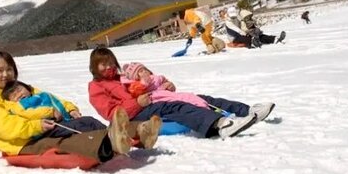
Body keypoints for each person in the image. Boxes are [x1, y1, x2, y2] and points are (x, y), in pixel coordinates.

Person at [0, 51, 162, 165]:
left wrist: (70, 108)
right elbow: (4, 126)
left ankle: (138, 131)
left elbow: (51, 99)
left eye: (9, 69)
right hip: (21, 143)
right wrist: (37, 126)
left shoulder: (23, 88)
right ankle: (111, 142)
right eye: (0, 70)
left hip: (48, 125)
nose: (6, 74)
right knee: (63, 140)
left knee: (85, 122)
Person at [88, 47, 276, 140]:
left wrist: (166, 86)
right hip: (132, 115)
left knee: (199, 98)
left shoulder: (123, 77)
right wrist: (138, 103)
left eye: (111, 62)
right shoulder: (96, 86)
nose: (109, 67)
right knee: (174, 106)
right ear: (95, 67)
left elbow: (148, 82)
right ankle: (220, 124)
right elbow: (111, 113)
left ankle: (248, 110)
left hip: (149, 100)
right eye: (103, 64)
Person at [120, 62, 210, 109]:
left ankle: (202, 105)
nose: (144, 72)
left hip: (166, 93)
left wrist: (170, 85)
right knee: (180, 100)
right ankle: (200, 107)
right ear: (135, 77)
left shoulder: (156, 78)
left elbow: (166, 82)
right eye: (140, 71)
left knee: (187, 96)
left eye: (144, 69)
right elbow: (135, 92)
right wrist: (143, 84)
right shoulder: (136, 84)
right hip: (157, 98)